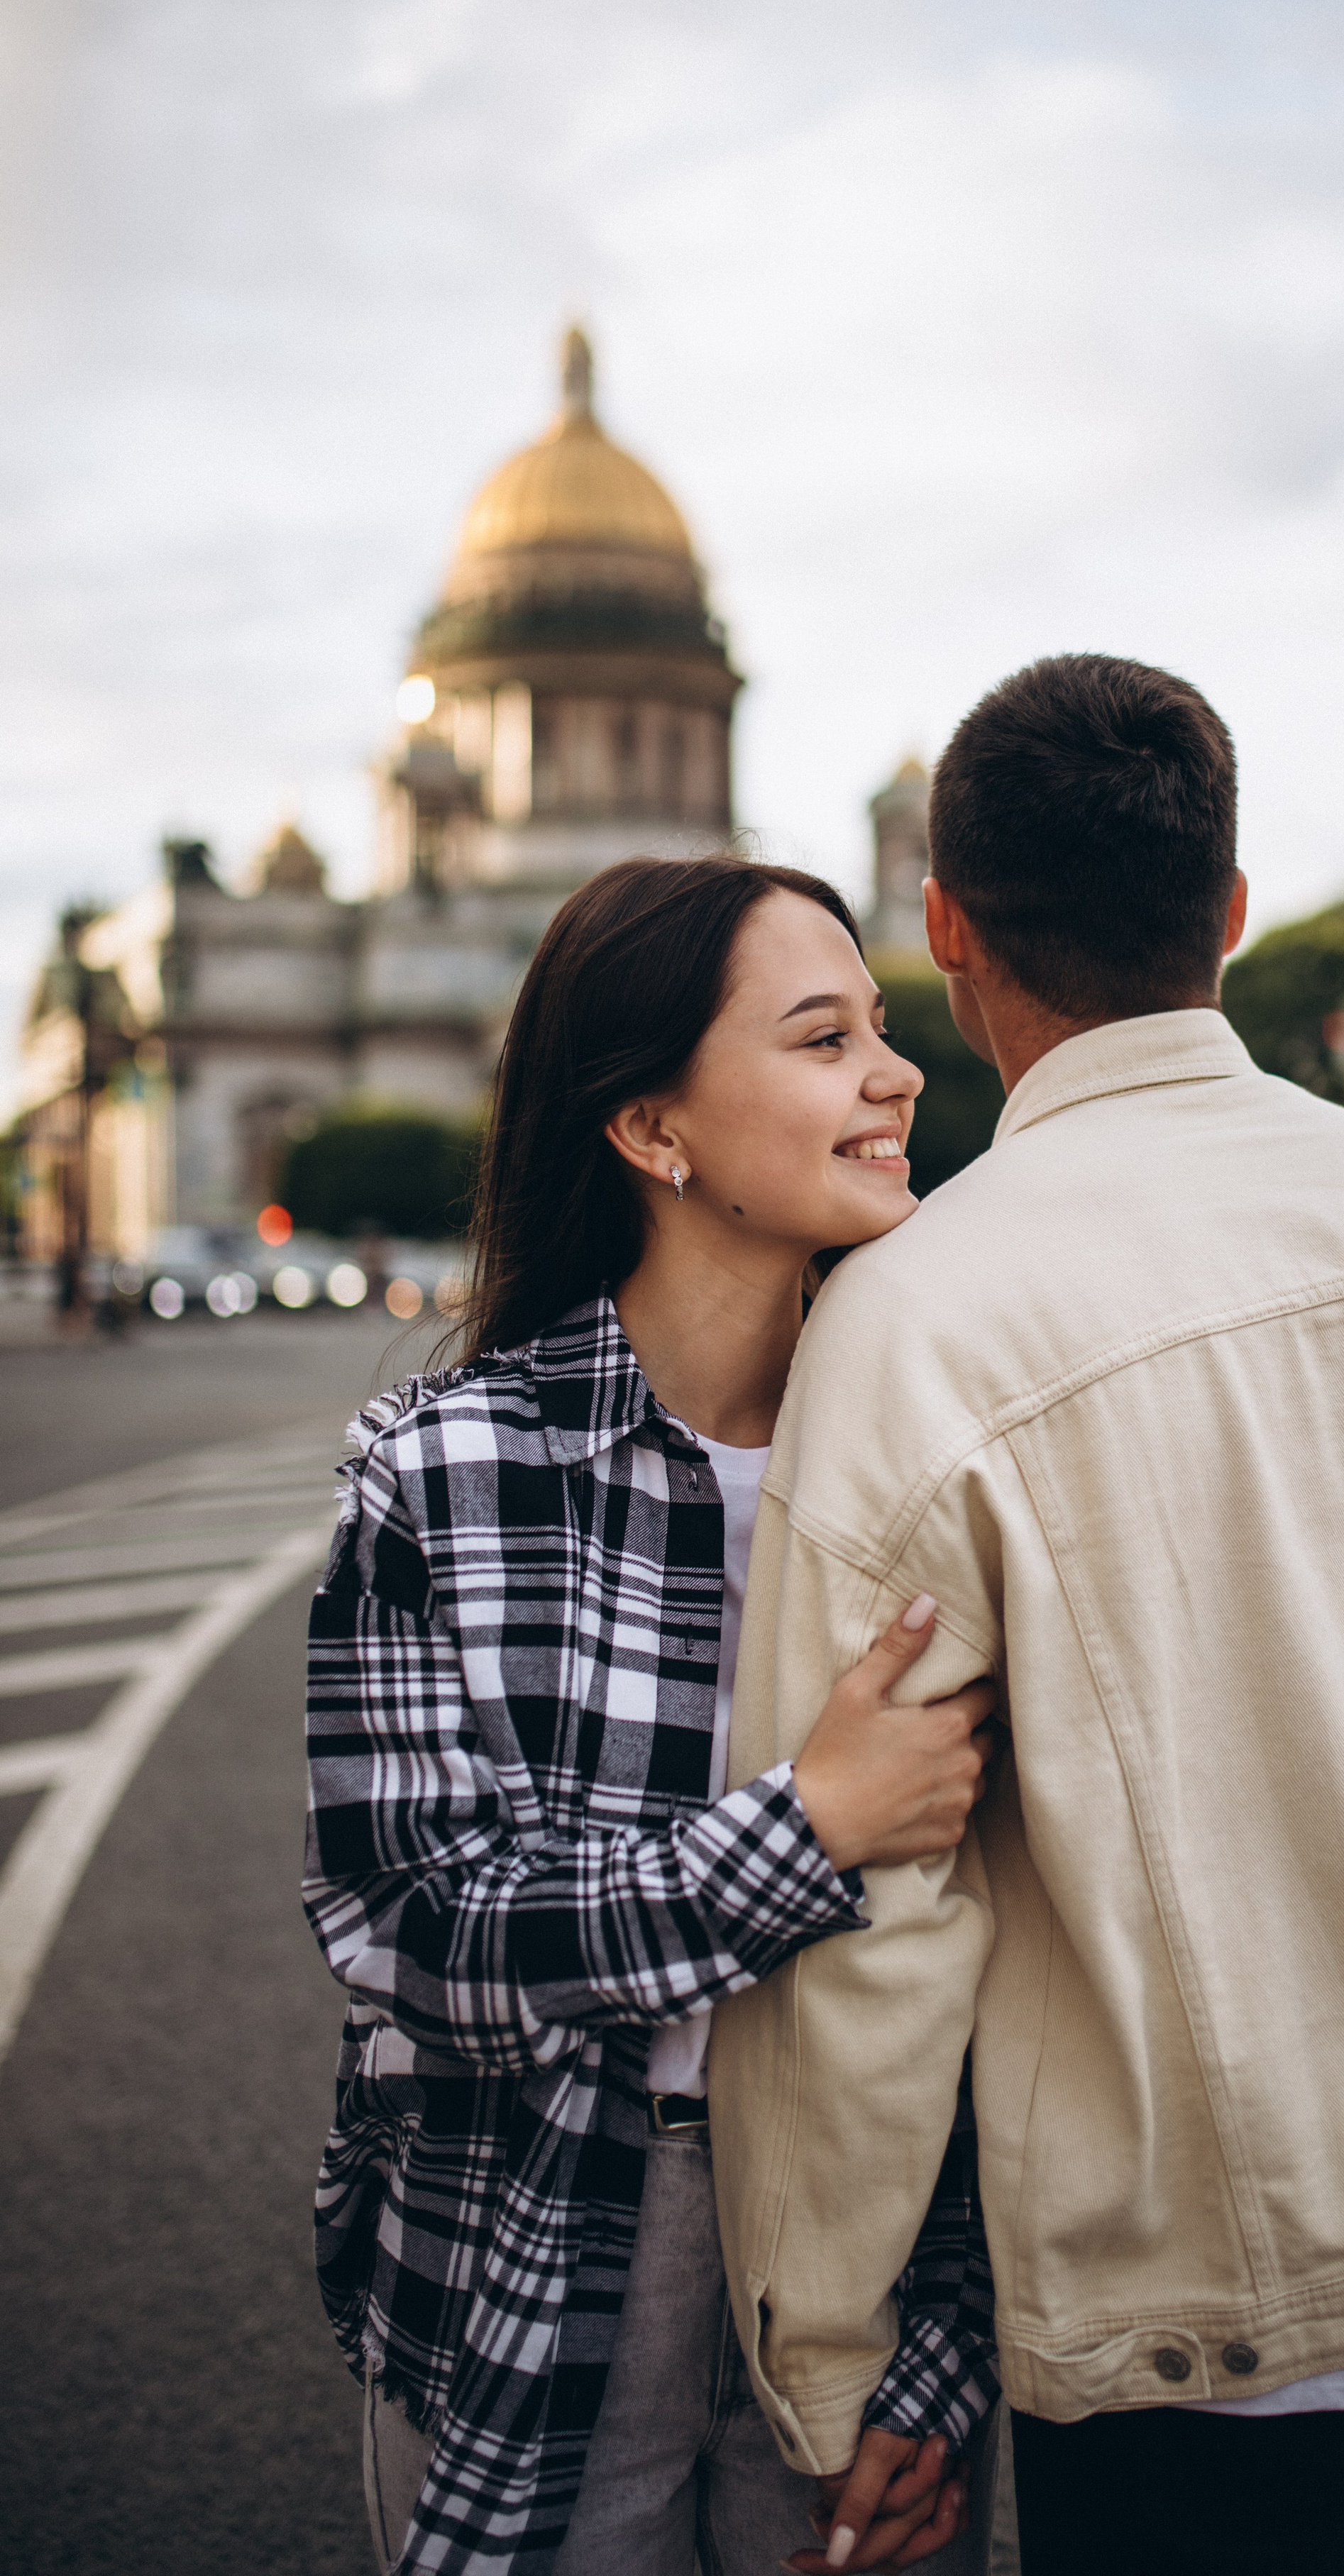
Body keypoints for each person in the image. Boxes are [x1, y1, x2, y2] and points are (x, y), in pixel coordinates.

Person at [710, 653, 1344, 2576]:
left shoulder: (923, 1318)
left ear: (945, 927)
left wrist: (827, 2352)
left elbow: (872, 1907)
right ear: (1235, 915)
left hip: (1207, 2314)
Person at [302, 856, 1001, 2576]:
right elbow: (409, 1929)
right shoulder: (446, 1471)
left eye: (884, 1029)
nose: (897, 1074)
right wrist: (802, 1835)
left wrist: (951, 2355)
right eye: (823, 1037)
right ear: (650, 1128)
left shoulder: (960, 1463)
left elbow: (1022, 1963)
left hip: (868, 2266)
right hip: (526, 2249)